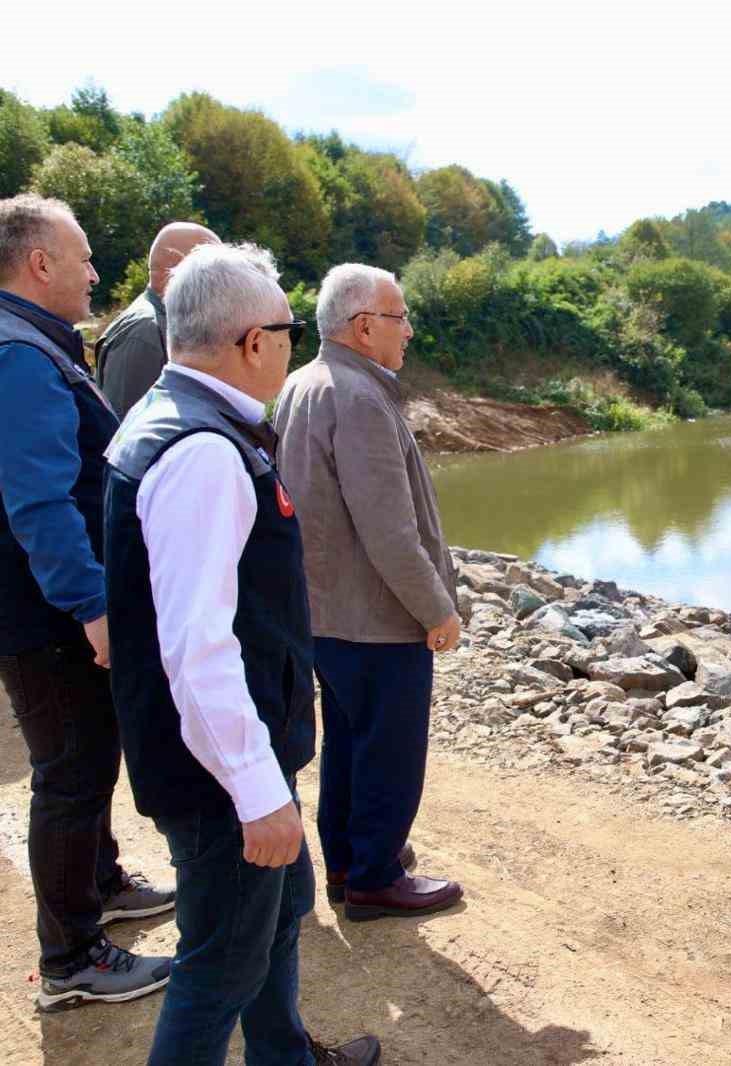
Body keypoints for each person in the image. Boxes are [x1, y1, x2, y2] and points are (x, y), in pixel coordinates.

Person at [103, 242, 378, 1065]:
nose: (295, 342)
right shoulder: (204, 453)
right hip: (221, 773)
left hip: (237, 750)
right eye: (290, 327)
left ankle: (284, 1056)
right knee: (219, 963)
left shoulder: (177, 419)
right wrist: (258, 793)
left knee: (277, 917)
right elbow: (200, 649)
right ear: (253, 342)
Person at [0, 193, 174, 1010]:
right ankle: (72, 959)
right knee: (70, 772)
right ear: (39, 264)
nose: (95, 271)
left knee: (88, 755)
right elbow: (38, 502)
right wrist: (92, 607)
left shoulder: (16, 341)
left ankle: (99, 883)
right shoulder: (13, 356)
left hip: (42, 609)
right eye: (83, 256)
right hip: (42, 617)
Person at [272, 263, 463, 922]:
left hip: (325, 613)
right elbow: (389, 531)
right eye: (399, 316)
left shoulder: (301, 383)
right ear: (363, 326)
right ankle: (376, 876)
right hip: (376, 617)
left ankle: (350, 862)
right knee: (389, 749)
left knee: (351, 744)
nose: (408, 330)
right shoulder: (356, 398)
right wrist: (437, 609)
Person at [95, 222, 220, 417]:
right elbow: (124, 431)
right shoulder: (145, 331)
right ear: (177, 268)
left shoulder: (168, 322)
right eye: (215, 269)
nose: (222, 281)